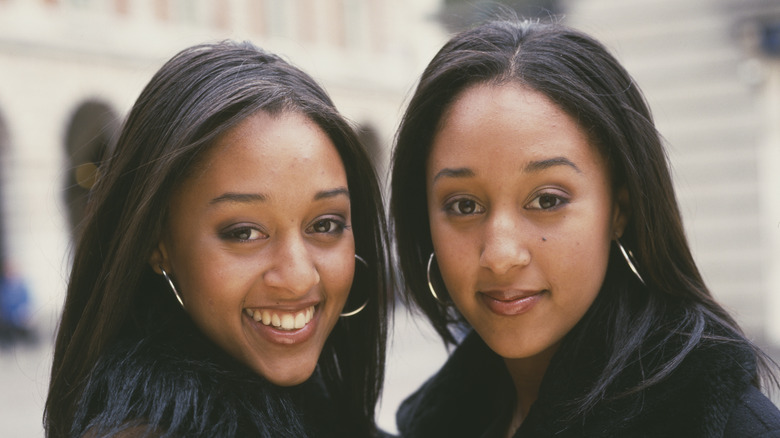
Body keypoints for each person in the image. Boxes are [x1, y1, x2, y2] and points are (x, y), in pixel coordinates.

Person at [390, 19, 780, 437]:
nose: (501, 255)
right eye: (464, 205)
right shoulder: (442, 418)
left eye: (547, 201)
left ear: (620, 211)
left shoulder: (726, 424)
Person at [44, 41, 391, 438]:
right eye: (244, 233)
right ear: (159, 245)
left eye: (325, 225)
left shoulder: (321, 409)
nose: (297, 277)